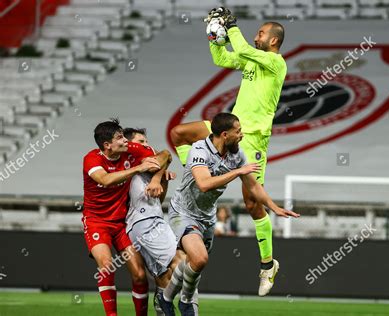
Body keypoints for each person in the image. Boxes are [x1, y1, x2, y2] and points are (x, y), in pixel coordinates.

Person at [170, 8, 287, 296]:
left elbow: (244, 47)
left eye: (261, 33)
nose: (257, 36)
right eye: (257, 32)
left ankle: (267, 264)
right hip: (229, 129)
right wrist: (214, 36)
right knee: (178, 133)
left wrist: (231, 26)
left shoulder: (275, 63)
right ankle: (197, 168)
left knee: (252, 202)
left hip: (253, 139)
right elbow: (221, 58)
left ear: (273, 41)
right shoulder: (252, 62)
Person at [160, 113, 299, 316]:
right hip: (183, 212)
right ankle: (186, 302)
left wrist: (273, 206)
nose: (242, 135)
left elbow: (252, 185)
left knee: (194, 264)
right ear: (225, 134)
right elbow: (204, 184)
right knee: (199, 259)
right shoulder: (199, 150)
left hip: (207, 216)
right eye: (238, 131)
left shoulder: (236, 155)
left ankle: (165, 298)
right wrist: (237, 172)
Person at [82, 119, 170, 316]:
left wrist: (158, 175)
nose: (125, 141)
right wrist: (137, 168)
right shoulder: (92, 159)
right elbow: (104, 179)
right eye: (119, 137)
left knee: (139, 275)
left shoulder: (129, 149)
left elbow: (165, 155)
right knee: (106, 266)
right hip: (97, 222)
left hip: (122, 223)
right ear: (107, 145)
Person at [123, 128, 198, 316]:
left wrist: (161, 180)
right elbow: (166, 154)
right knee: (186, 261)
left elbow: (157, 197)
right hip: (146, 222)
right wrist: (159, 174)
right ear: (130, 145)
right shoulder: (135, 161)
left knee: (165, 277)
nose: (146, 144)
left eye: (146, 140)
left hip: (146, 222)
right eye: (141, 141)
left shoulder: (144, 166)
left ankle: (161, 301)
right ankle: (186, 307)